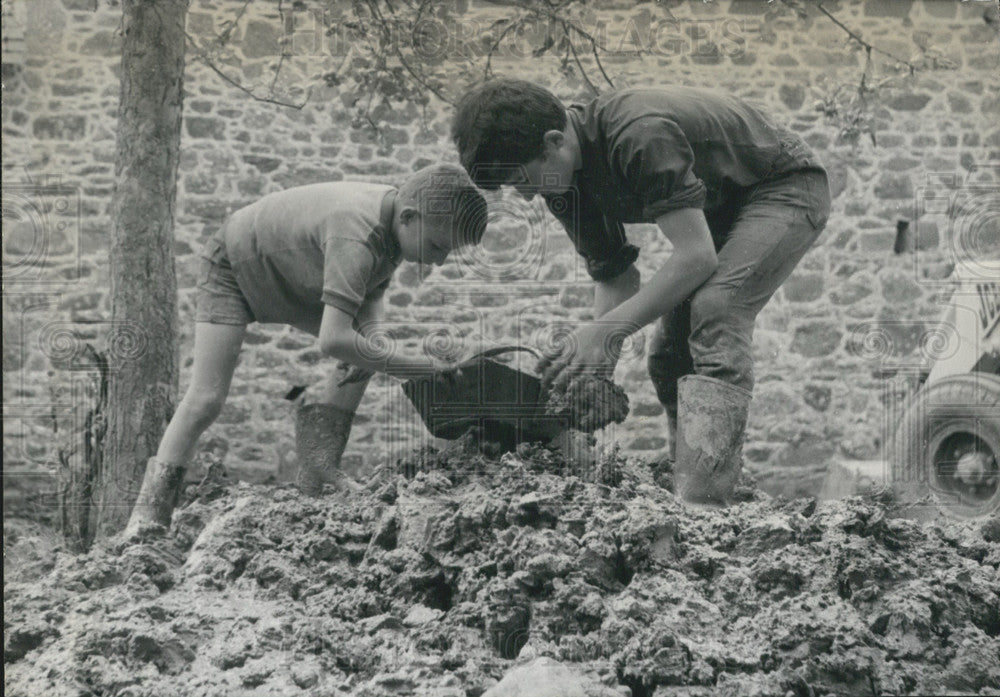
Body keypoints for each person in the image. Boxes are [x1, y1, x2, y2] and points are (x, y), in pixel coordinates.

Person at [451, 79, 831, 505]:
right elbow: (615, 276)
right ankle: (688, 479)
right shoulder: (563, 181)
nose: (523, 194)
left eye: (521, 179)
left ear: (553, 141)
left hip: (784, 186)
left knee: (717, 307)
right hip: (719, 208)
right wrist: (592, 373)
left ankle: (706, 503)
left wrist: (604, 332)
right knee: (669, 354)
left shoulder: (638, 135)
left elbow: (696, 257)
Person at [127, 164, 488, 531]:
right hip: (234, 267)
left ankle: (318, 469)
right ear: (410, 218)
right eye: (438, 247)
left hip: (293, 276)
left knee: (367, 351)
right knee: (205, 398)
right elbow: (332, 340)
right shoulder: (357, 231)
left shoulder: (395, 225)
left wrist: (376, 341)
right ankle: (147, 516)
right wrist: (419, 368)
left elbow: (372, 288)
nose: (440, 261)